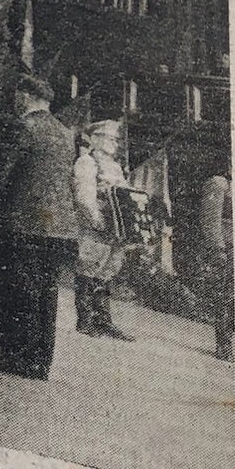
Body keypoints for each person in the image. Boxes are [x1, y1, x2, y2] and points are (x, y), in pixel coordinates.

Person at [0, 74, 80, 380]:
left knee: (16, 287)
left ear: (25, 96)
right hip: (58, 227)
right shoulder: (65, 133)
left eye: (17, 95)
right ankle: (39, 359)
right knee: (46, 292)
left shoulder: (23, 126)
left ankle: (14, 354)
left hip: (22, 222)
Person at [71, 119, 135, 340]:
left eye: (116, 139)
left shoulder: (115, 167)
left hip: (115, 227)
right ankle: (85, 320)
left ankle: (103, 320)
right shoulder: (87, 162)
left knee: (109, 270)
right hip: (96, 225)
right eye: (110, 138)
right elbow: (84, 196)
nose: (115, 143)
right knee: (88, 268)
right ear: (95, 138)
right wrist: (94, 218)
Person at [199, 171, 234, 362]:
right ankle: (224, 344)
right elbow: (211, 219)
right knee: (225, 297)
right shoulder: (220, 184)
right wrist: (217, 248)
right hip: (226, 248)